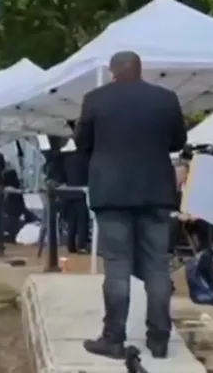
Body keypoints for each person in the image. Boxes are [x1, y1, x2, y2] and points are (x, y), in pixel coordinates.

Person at [75, 51, 186, 360]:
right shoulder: (165, 98)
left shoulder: (95, 99)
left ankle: (113, 338)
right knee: (157, 266)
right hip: (156, 191)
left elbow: (82, 143)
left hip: (111, 193)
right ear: (140, 70)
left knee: (118, 266)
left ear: (112, 72)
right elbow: (178, 141)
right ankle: (160, 338)